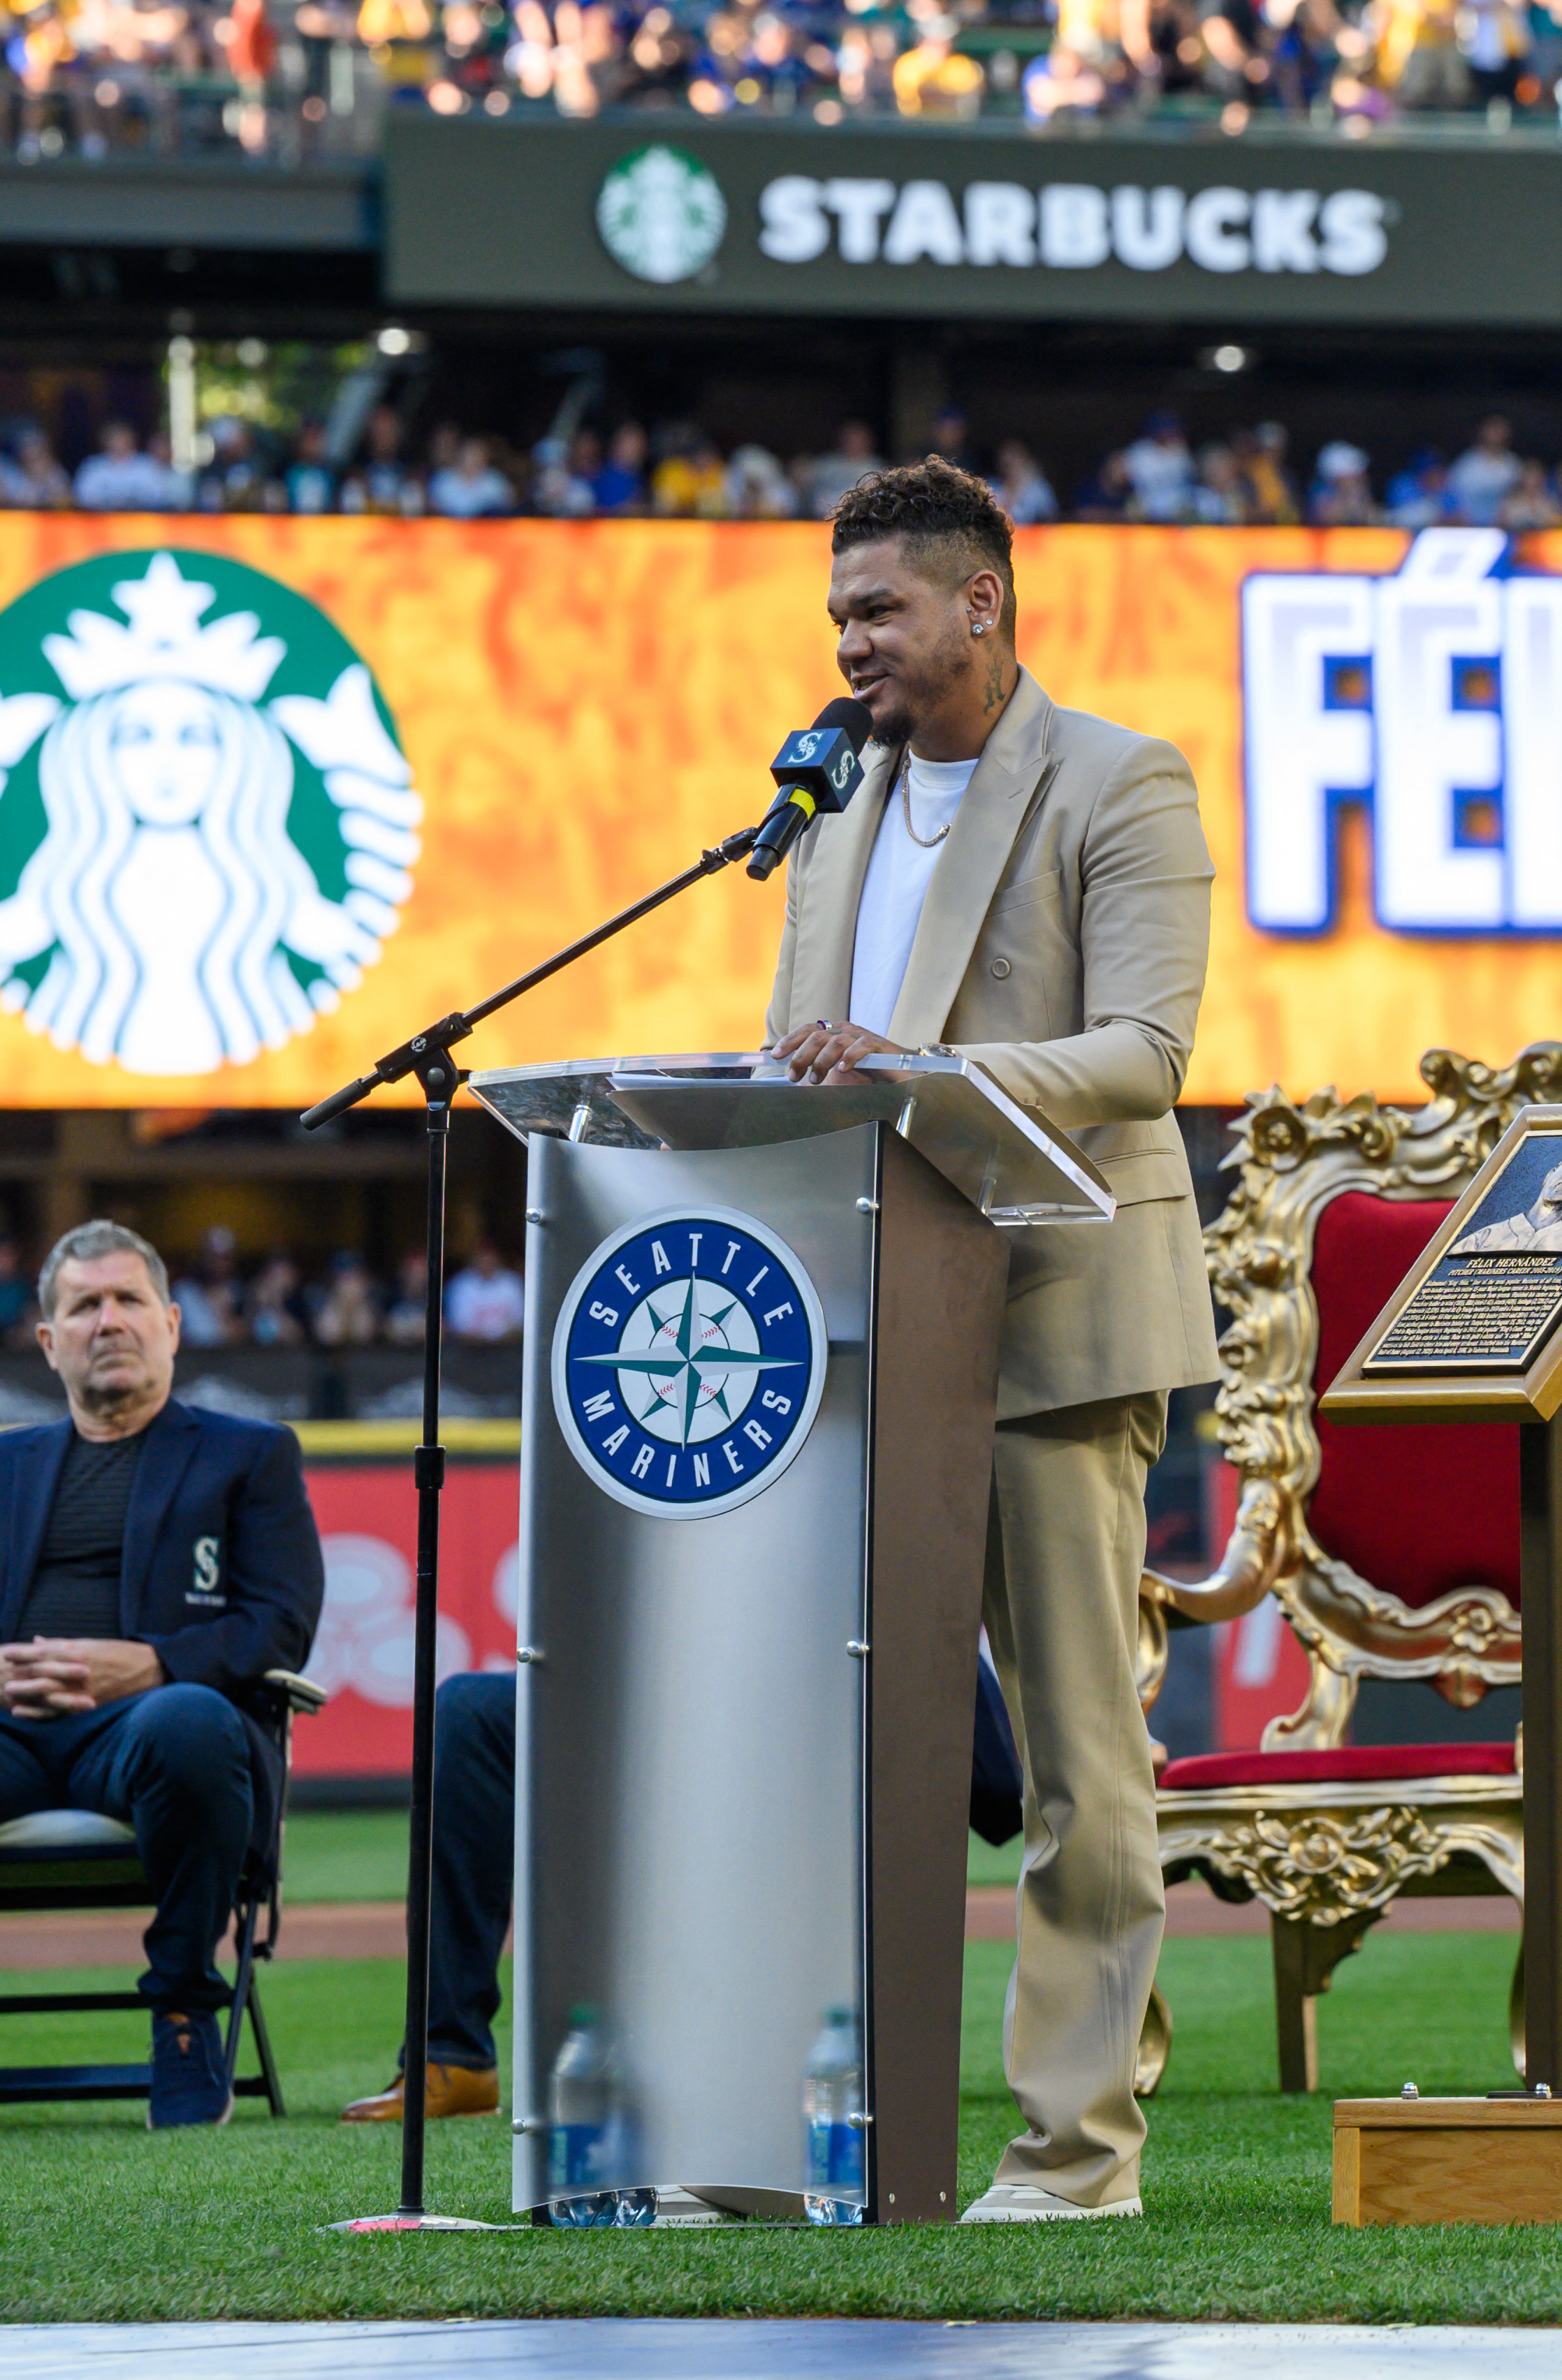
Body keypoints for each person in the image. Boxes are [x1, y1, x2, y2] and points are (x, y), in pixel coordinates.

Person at [767, 462, 1214, 2224]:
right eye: (837, 616)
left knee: (1074, 1761)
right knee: (833, 1752)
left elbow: (1145, 1051)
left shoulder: (1116, 775)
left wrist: (920, 1073)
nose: (850, 643)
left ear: (980, 603)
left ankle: (1075, 2152)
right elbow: (807, 1052)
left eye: (878, 609)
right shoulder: (829, 798)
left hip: (1049, 1317)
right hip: (867, 1326)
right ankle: (823, 2132)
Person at [0, 1221, 326, 2126]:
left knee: (191, 1719)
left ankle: (186, 2009)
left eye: (127, 1301)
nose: (107, 1320)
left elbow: (283, 1623)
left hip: (150, 1735)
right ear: (49, 1340)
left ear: (170, 1323)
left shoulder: (250, 1454)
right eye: (84, 1305)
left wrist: (156, 1664)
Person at [343, 1654, 1028, 2123]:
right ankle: (451, 2055)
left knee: (986, 1771)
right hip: (653, 1672)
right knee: (470, 1710)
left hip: (798, 1680)